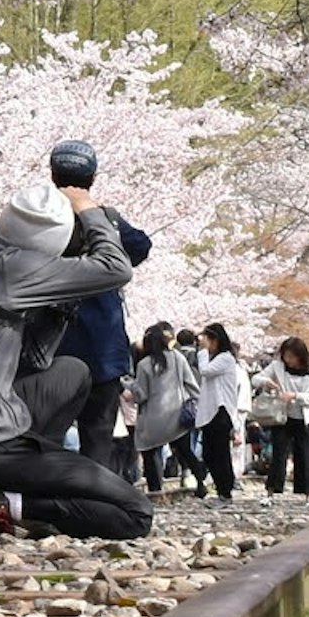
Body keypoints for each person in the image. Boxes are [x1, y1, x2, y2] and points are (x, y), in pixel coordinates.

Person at [0, 181, 153, 540]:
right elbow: (116, 268)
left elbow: (38, 362)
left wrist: (56, 310)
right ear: (53, 243)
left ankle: (6, 484)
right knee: (134, 514)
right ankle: (3, 503)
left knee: (72, 372)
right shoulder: (17, 269)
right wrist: (89, 209)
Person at [48, 141, 154, 453]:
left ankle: (47, 497)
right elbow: (140, 247)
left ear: (52, 175)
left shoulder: (37, 218)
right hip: (102, 347)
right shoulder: (107, 220)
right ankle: (94, 500)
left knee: (46, 433)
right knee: (98, 436)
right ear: (92, 178)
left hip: (51, 345)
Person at [249, 334, 309, 494]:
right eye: (285, 356)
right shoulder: (278, 366)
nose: (288, 360)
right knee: (278, 453)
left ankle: (305, 490)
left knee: (305, 455)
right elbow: (255, 379)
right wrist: (265, 382)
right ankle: (274, 488)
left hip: (304, 418)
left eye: (291, 356)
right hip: (282, 417)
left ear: (300, 356)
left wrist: (295, 396)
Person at [127, 323, 194, 493]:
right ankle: (198, 479)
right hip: (177, 415)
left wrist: (127, 384)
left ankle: (156, 490)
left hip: (152, 419)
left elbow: (141, 395)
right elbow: (191, 385)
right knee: (185, 450)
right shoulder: (177, 357)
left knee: (150, 453)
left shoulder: (144, 365)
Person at [188, 322, 247, 501]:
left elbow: (205, 371)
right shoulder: (216, 358)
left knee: (220, 453)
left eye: (207, 339)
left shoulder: (225, 358)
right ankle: (221, 489)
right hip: (211, 411)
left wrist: (203, 351)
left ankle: (225, 491)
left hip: (221, 411)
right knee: (209, 453)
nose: (204, 343)